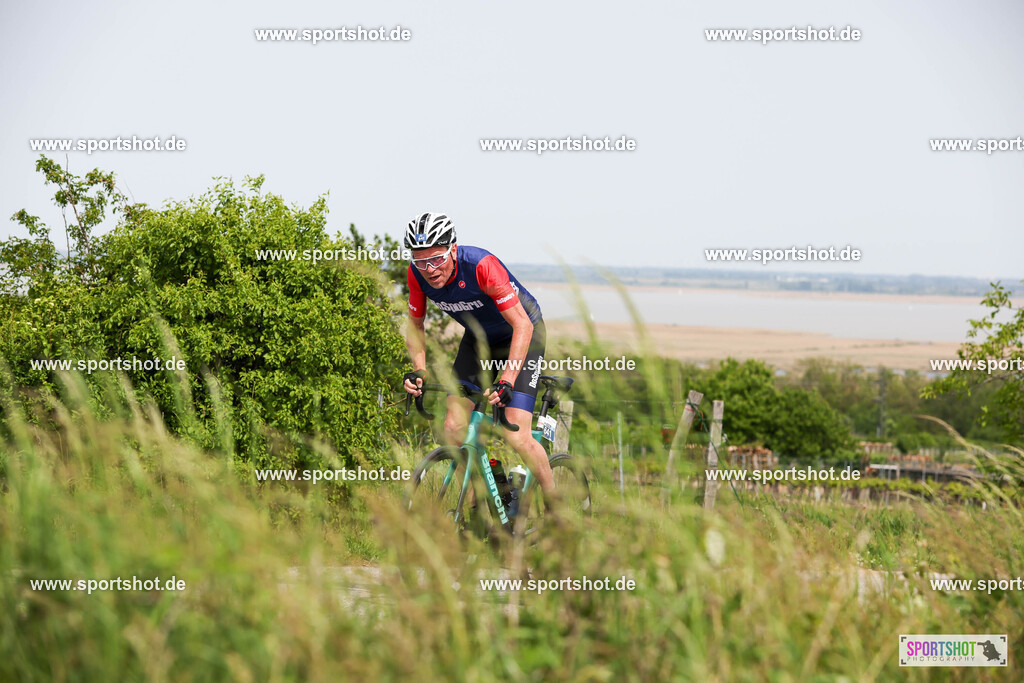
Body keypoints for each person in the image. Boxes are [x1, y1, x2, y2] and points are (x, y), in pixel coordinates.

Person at [401, 211, 555, 494]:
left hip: (523, 334)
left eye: (437, 259)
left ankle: (558, 512)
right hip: (479, 340)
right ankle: (479, 510)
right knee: (453, 427)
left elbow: (522, 324)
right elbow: (415, 324)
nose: (430, 269)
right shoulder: (417, 275)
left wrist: (507, 379)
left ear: (454, 250)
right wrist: (419, 370)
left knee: (517, 435)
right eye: (420, 261)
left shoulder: (481, 266)